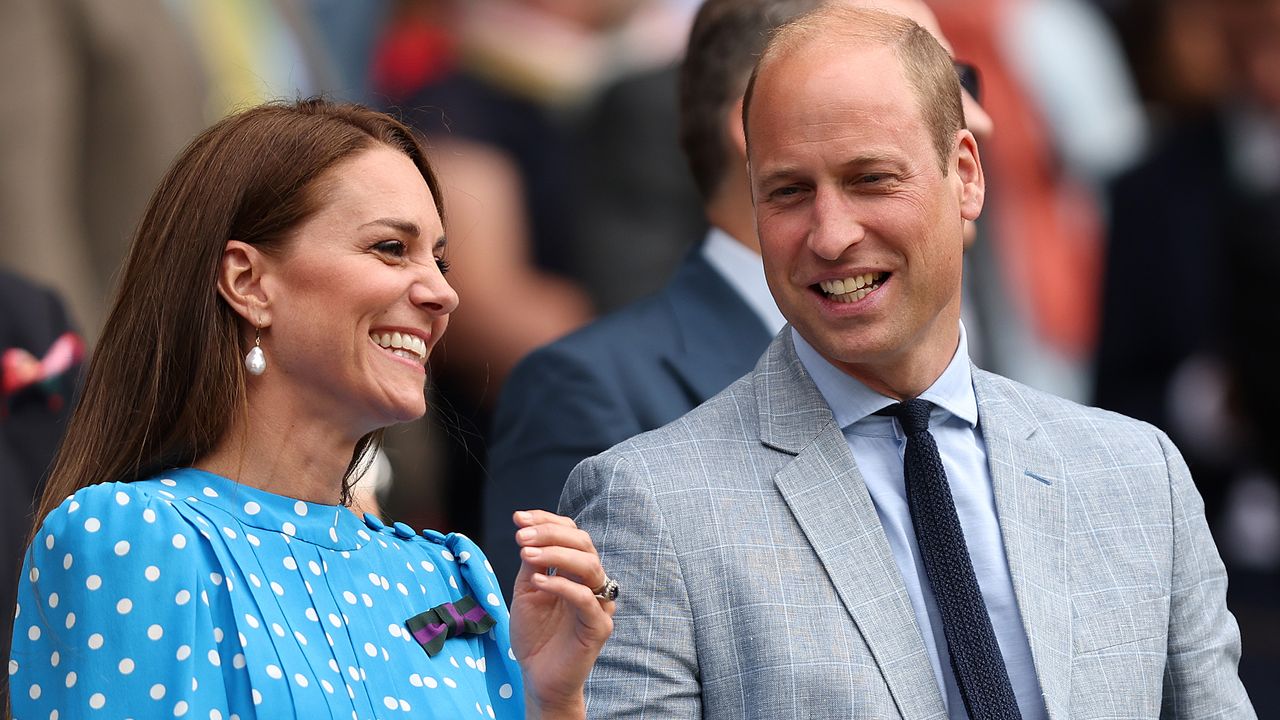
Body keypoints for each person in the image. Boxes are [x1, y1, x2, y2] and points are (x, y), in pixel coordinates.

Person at [561, 6, 1254, 718]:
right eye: (789, 191)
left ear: (966, 176)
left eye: (870, 180)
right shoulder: (648, 507)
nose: (830, 236)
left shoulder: (1137, 478)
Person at [7, 100, 615, 719]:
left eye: (440, 258)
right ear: (247, 281)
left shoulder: (450, 581)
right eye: (389, 247)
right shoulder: (133, 536)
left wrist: (554, 698)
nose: (443, 291)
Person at [486, 0, 994, 596]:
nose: (980, 119)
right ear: (756, 124)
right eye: (942, 81)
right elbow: (563, 672)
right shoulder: (592, 399)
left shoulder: (996, 408)